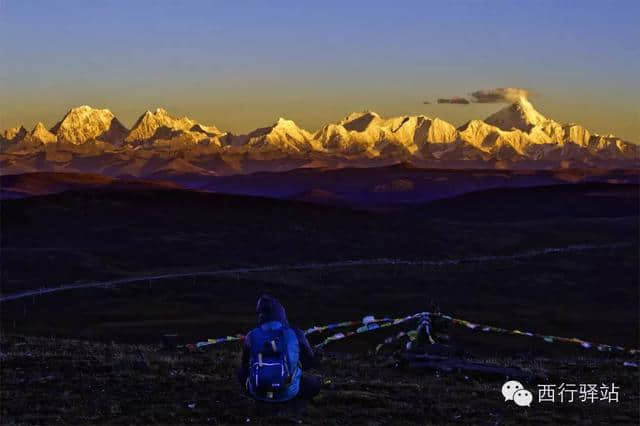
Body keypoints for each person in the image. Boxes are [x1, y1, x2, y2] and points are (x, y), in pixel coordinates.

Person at [238, 294, 320, 403]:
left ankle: (260, 396)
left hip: (258, 393)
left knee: (240, 373)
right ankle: (294, 402)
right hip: (289, 394)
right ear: (281, 313)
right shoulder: (296, 333)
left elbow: (244, 367)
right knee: (314, 382)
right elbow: (310, 361)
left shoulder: (251, 336)